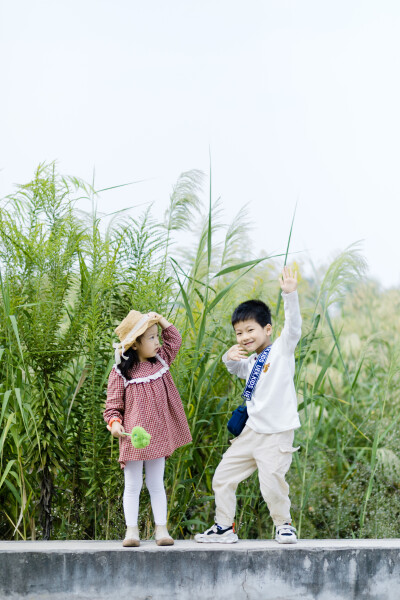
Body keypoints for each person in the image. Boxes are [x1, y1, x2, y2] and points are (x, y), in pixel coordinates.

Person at [195, 266, 301, 544]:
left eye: (250, 330)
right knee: (223, 476)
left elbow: (293, 328)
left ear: (267, 329)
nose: (244, 337)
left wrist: (290, 295)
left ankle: (284, 525)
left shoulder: (281, 350)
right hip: (250, 433)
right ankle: (224, 527)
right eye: (238, 333)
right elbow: (235, 367)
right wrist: (228, 357)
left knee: (272, 485)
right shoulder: (252, 361)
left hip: (276, 433)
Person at [104, 310, 192, 547]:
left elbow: (175, 339)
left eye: (156, 336)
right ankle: (131, 531)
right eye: (151, 338)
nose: (157, 342)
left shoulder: (161, 361)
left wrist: (160, 320)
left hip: (159, 434)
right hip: (134, 437)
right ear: (134, 345)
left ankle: (161, 528)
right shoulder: (121, 372)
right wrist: (115, 424)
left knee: (156, 482)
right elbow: (112, 406)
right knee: (132, 484)